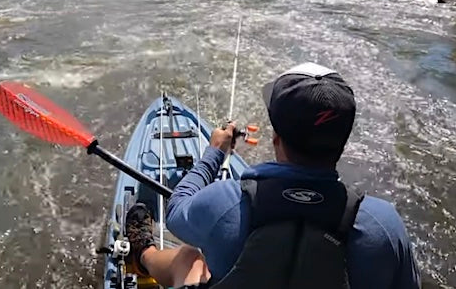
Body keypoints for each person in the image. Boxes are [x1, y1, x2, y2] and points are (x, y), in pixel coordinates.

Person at [125, 62, 421, 288]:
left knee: (190, 258)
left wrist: (215, 153)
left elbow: (177, 209)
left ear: (276, 139)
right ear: (342, 144)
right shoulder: (385, 225)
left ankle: (143, 255)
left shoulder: (226, 202)